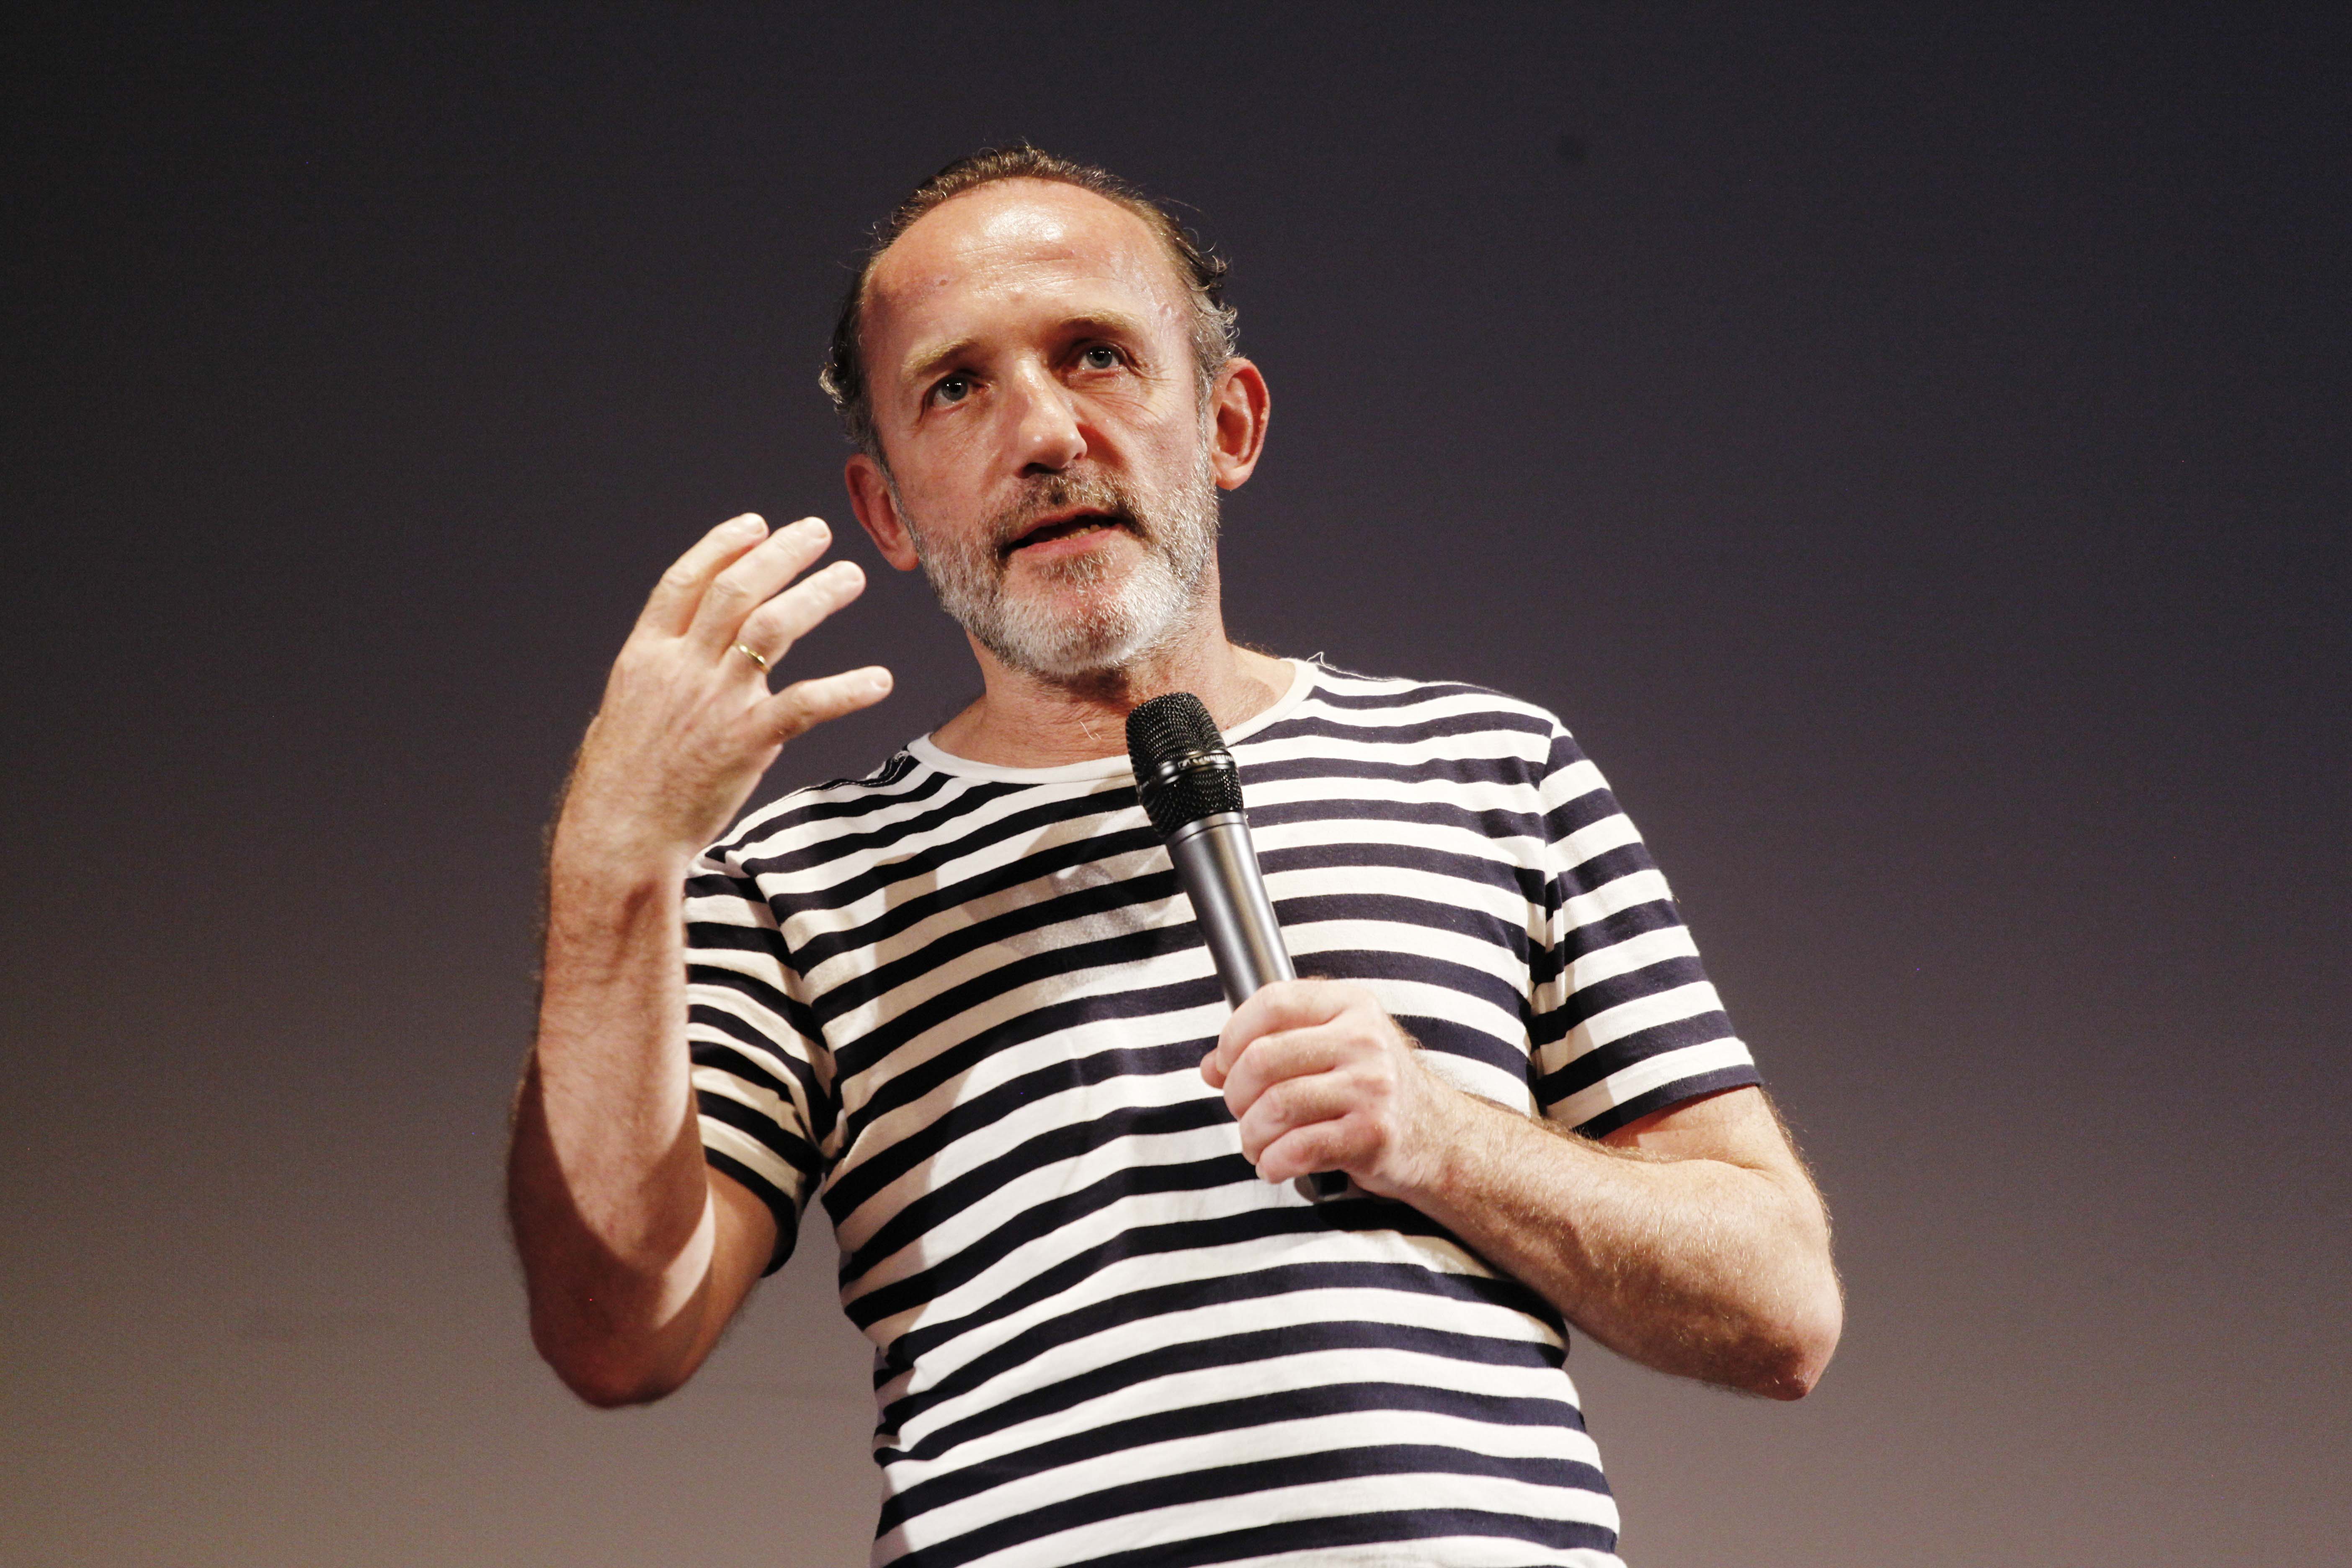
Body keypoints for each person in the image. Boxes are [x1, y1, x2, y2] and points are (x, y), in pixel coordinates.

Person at [507, 147, 1841, 1568]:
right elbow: (615, 1333)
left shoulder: (1492, 768)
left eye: (1095, 355)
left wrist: (1445, 1139)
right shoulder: (800, 883)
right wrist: (613, 871)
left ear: (1227, 421)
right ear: (888, 510)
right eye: (955, 388)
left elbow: (1779, 1302)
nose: (1045, 435)